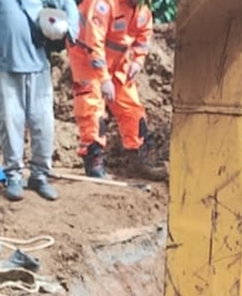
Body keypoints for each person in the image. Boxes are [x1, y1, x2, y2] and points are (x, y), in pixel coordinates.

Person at [66, 0, 166, 181]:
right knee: (92, 105)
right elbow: (93, 43)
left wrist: (138, 60)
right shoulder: (103, 5)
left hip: (118, 60)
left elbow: (144, 35)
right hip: (85, 56)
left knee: (131, 107)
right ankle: (93, 158)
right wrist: (104, 79)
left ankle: (139, 158)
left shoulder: (142, 9)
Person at [0, 0, 79, 201]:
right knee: (11, 123)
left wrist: (71, 28)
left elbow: (68, 4)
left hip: (39, 67)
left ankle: (40, 175)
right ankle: (13, 176)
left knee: (43, 124)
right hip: (6, 67)